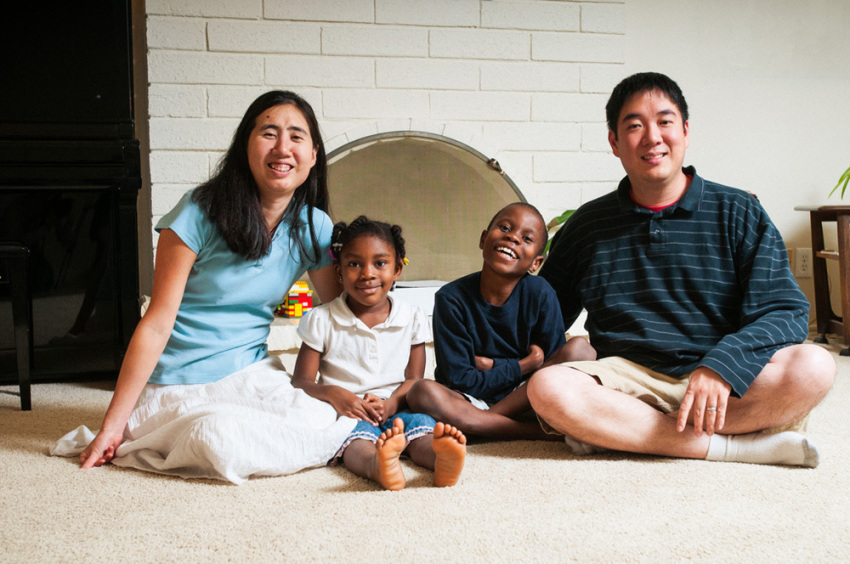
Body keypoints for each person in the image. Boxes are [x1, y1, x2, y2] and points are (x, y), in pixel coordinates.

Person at [529, 72, 835, 467]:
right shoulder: (589, 225)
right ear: (614, 142)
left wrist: (721, 366)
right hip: (628, 381)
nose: (652, 137)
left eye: (665, 121)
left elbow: (785, 312)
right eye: (634, 125)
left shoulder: (739, 210)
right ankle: (738, 448)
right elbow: (542, 315)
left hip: (725, 381)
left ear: (686, 131)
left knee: (815, 367)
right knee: (549, 388)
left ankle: (627, 433)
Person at [76, 91, 357, 484]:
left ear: (313, 155)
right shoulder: (197, 212)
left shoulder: (314, 226)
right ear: (245, 147)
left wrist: (352, 391)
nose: (282, 148)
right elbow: (157, 324)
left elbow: (339, 317)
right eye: (269, 133)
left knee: (324, 416)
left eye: (296, 136)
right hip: (177, 382)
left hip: (252, 373)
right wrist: (112, 426)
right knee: (218, 438)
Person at [292, 216, 467, 490]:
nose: (367, 273)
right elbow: (300, 382)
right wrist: (335, 394)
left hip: (398, 405)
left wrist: (391, 404)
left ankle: (440, 459)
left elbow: (414, 380)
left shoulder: (411, 316)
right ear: (339, 272)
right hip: (349, 412)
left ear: (397, 269)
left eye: (380, 263)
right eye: (354, 264)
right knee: (354, 443)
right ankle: (377, 465)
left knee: (420, 429)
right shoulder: (321, 319)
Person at [406, 202, 596, 440]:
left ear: (536, 263)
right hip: (468, 400)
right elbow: (461, 380)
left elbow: (553, 369)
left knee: (581, 350)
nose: (513, 238)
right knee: (421, 392)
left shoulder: (540, 292)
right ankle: (529, 432)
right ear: (483, 239)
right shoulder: (450, 299)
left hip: (525, 397)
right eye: (505, 227)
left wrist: (492, 365)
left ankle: (485, 424)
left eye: (526, 238)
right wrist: (525, 364)